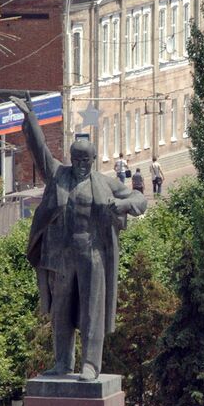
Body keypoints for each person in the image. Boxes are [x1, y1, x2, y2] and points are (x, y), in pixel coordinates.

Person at [13, 98, 148, 378]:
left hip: (92, 256)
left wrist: (122, 205)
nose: (81, 164)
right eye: (77, 159)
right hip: (61, 257)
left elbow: (139, 199)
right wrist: (31, 119)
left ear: (93, 160)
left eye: (86, 160)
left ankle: (90, 364)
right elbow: (40, 153)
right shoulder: (59, 176)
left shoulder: (103, 182)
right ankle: (63, 362)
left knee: (91, 311)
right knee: (60, 312)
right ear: (71, 159)